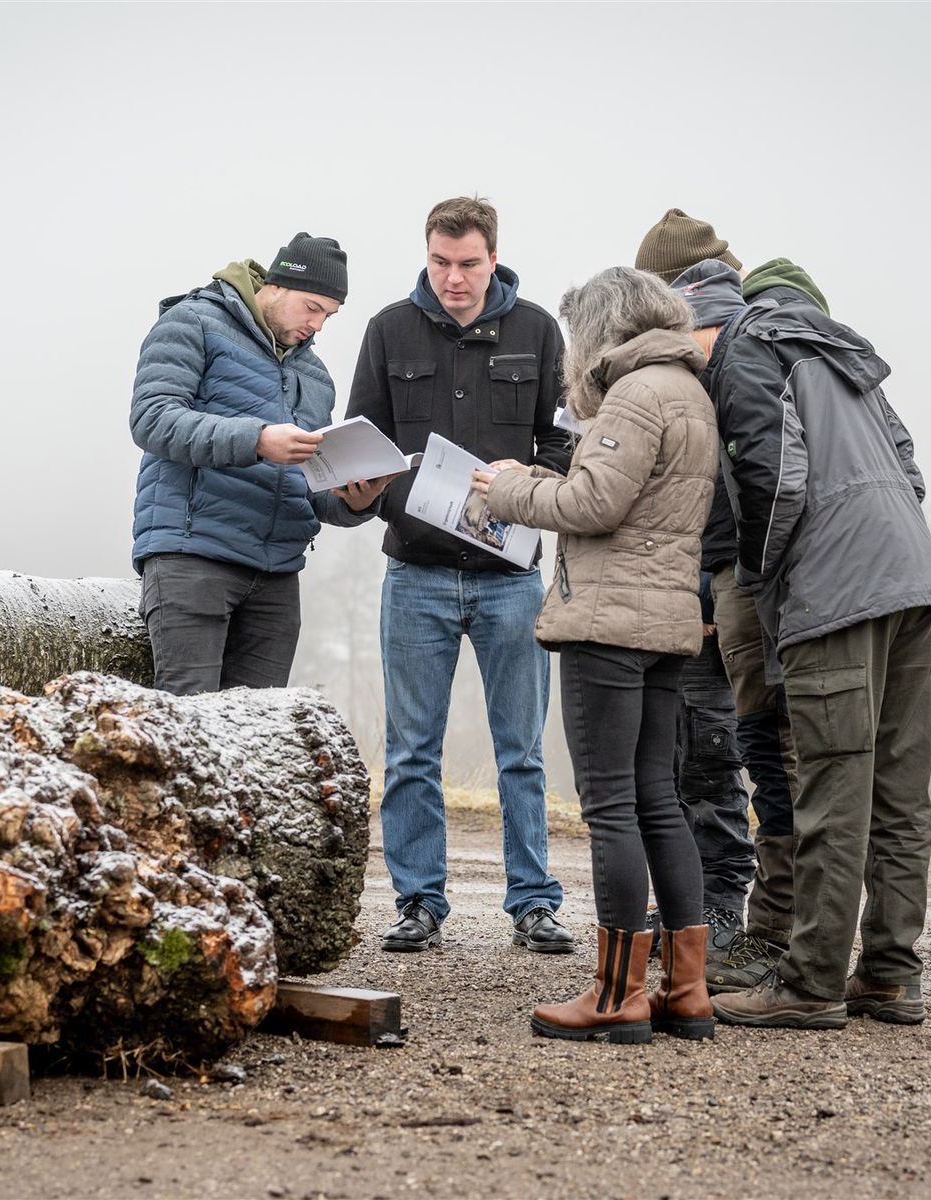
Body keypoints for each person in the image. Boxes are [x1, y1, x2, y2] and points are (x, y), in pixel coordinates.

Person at [672, 258, 931, 1030]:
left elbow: (769, 477)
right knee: (899, 795)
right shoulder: (837, 349)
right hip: (913, 577)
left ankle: (812, 981)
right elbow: (909, 466)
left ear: (698, 320)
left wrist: (764, 590)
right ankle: (891, 974)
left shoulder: (742, 350)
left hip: (835, 593)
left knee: (832, 782)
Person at [475, 266, 719, 1042]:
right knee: (659, 801)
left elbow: (594, 506)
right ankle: (686, 990)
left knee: (612, 804)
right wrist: (546, 476)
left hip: (608, 626)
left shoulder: (637, 393)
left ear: (601, 329)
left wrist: (508, 489)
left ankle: (616, 997)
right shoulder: (688, 391)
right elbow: (625, 499)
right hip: (666, 622)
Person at [343, 197, 574, 954]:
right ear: (427, 255)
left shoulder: (540, 330)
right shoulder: (388, 329)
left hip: (512, 576)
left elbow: (568, 447)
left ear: (493, 258)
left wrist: (530, 470)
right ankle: (418, 902)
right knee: (411, 748)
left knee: (523, 750)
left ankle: (534, 902)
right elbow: (360, 447)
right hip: (416, 572)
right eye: (440, 262)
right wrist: (352, 489)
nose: (452, 277)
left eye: (468, 263)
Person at [634, 208, 834, 988]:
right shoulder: (712, 344)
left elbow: (749, 480)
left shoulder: (728, 343)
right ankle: (719, 913)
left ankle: (744, 917)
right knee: (704, 751)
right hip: (712, 578)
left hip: (733, 583)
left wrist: (734, 578)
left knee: (740, 751)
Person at [128, 233, 388, 695]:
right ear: (277, 285)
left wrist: (353, 502)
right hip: (193, 559)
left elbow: (309, 485)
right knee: (191, 732)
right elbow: (153, 420)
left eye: (329, 315)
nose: (319, 325)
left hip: (276, 577)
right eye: (312, 307)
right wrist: (258, 440)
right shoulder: (193, 323)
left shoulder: (315, 376)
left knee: (258, 745)